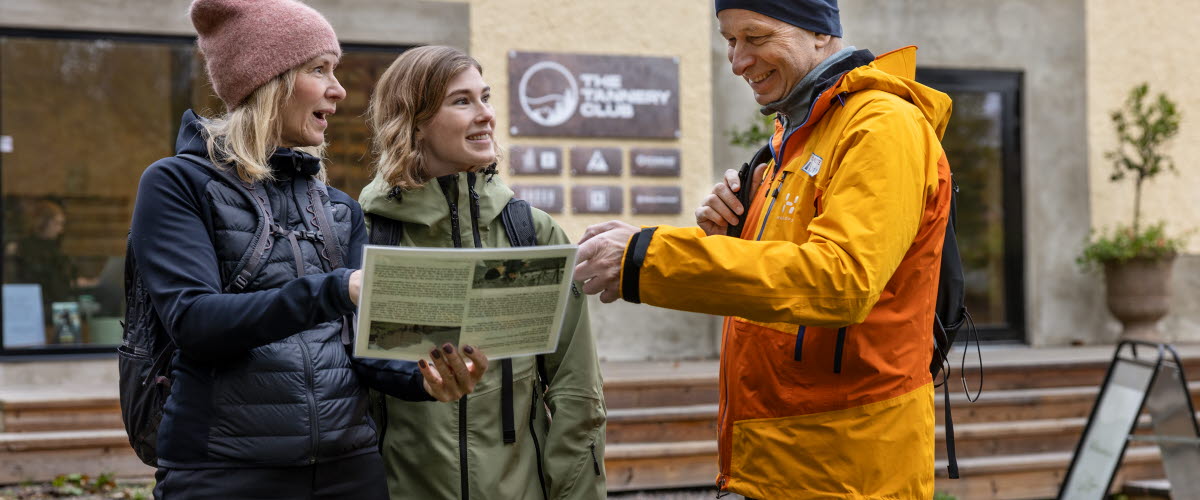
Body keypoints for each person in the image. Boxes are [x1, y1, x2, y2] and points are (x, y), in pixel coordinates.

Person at [573, 1, 954, 498]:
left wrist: (648, 257)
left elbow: (839, 282)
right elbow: (780, 272)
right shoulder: (797, 133)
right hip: (781, 461)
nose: (737, 60)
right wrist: (724, 238)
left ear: (821, 34)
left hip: (849, 468)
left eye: (755, 37)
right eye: (730, 40)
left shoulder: (882, 126)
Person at [129, 2, 487, 498]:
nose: (338, 90)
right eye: (320, 70)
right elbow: (195, 323)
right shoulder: (176, 183)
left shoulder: (338, 208)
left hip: (350, 469)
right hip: (224, 471)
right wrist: (337, 289)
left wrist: (423, 380)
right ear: (267, 81)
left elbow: (368, 351)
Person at [360, 45, 607, 500]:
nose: (485, 115)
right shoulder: (366, 233)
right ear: (413, 121)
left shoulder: (531, 231)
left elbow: (576, 392)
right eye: (462, 101)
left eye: (486, 97)